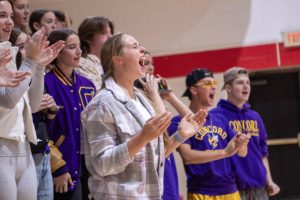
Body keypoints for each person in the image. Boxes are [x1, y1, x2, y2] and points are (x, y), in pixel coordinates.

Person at [81, 33, 207, 200]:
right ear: (118, 60)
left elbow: (154, 155)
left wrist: (180, 136)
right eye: (134, 47)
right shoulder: (101, 104)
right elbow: (102, 165)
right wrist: (142, 137)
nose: (143, 49)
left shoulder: (142, 100)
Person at [0, 2, 56, 199]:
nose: (9, 21)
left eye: (9, 16)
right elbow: (8, 100)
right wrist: (30, 61)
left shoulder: (8, 54)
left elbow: (32, 106)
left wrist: (38, 67)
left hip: (23, 146)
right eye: (2, 15)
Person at [169, 68, 250, 200]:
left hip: (230, 190)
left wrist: (242, 143)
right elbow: (188, 157)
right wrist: (224, 152)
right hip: (202, 191)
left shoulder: (221, 118)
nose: (213, 87)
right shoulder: (180, 121)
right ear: (193, 90)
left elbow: (242, 153)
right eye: (207, 83)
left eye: (214, 83)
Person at [211, 67, 280, 200]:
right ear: (228, 88)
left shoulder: (255, 116)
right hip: (232, 189)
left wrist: (269, 181)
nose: (246, 86)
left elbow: (263, 153)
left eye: (248, 83)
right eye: (240, 82)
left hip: (259, 188)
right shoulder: (216, 116)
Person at [45, 29, 96, 200]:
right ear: (58, 52)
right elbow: (43, 131)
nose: (79, 51)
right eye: (72, 47)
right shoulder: (46, 83)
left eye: (79, 46)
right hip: (64, 164)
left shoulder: (88, 84)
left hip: (91, 165)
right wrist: (58, 167)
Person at [77, 16, 113, 93]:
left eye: (110, 32)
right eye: (104, 33)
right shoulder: (81, 63)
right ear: (88, 38)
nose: (110, 37)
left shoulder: (110, 62)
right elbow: (98, 92)